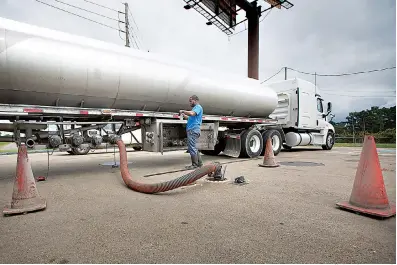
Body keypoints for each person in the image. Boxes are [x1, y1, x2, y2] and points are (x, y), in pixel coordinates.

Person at [179, 95, 203, 169]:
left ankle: (194, 164)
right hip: (193, 129)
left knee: (192, 147)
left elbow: (192, 114)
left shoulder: (198, 107)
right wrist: (184, 115)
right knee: (194, 147)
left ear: (195, 100)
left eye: (190, 101)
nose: (190, 103)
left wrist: (183, 111)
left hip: (193, 129)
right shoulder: (195, 108)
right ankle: (199, 163)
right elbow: (190, 118)